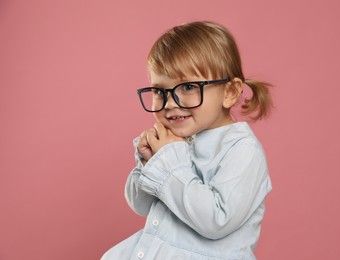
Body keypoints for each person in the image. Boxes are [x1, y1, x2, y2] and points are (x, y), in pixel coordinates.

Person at [101, 21, 273, 260]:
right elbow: (140, 206)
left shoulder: (242, 149)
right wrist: (150, 162)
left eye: (189, 87)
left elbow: (216, 221)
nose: (171, 103)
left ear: (230, 92)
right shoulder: (176, 139)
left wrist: (169, 163)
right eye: (160, 91)